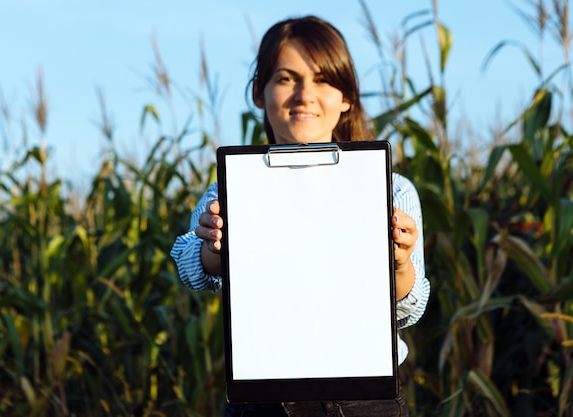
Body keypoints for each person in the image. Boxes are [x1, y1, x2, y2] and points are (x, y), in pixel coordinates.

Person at [170, 15, 430, 417]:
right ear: (259, 93)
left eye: (324, 79)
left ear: (347, 99)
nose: (305, 94)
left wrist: (399, 263)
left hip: (366, 396)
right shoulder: (231, 188)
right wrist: (214, 250)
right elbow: (189, 264)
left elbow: (409, 307)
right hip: (264, 396)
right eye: (286, 78)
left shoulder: (391, 190)